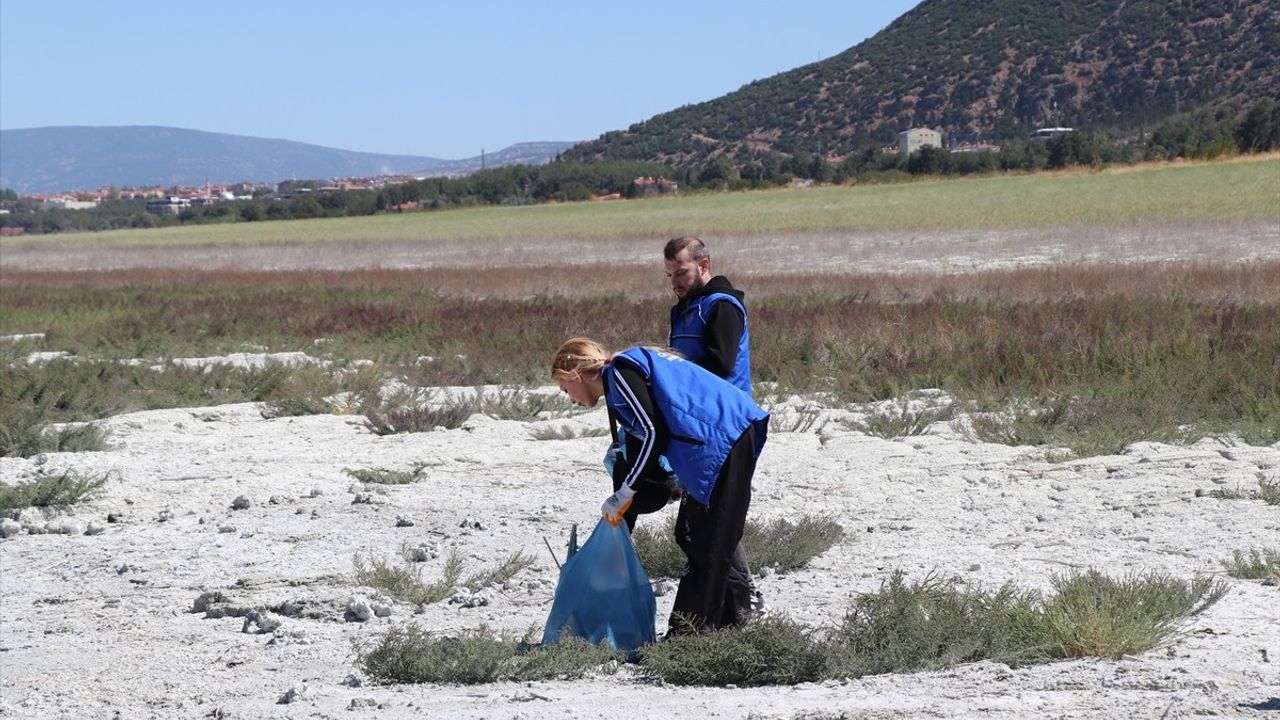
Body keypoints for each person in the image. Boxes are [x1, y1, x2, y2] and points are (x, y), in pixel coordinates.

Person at [552, 338, 769, 634]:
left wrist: (625, 492)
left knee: (708, 538)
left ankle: (691, 637)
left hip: (725, 435)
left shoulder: (619, 373)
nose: (570, 398)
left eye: (566, 389)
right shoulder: (619, 388)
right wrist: (621, 517)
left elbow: (653, 433)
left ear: (575, 375)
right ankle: (728, 626)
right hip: (720, 439)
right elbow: (642, 454)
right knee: (694, 534)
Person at [664, 235, 751, 394]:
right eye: (669, 275)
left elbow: (721, 365)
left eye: (681, 273)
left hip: (727, 410)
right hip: (694, 408)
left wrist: (673, 375)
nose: (674, 283)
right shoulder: (680, 310)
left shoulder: (722, 305)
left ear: (703, 266)